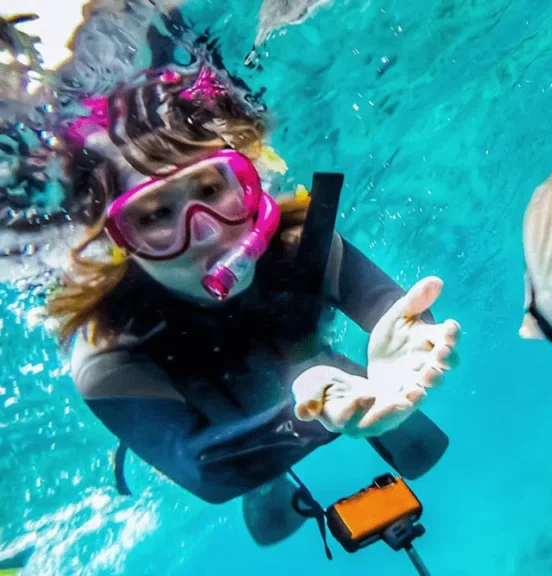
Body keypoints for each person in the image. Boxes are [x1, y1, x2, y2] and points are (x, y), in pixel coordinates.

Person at [43, 62, 461, 552]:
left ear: (245, 183)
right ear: (121, 240)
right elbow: (201, 472)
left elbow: (399, 311)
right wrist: (309, 411)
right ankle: (282, 462)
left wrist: (409, 349)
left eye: (210, 190)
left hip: (310, 364)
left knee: (418, 444)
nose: (207, 232)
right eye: (155, 215)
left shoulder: (304, 245)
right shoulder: (108, 347)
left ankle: (335, 393)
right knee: (267, 508)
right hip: (221, 418)